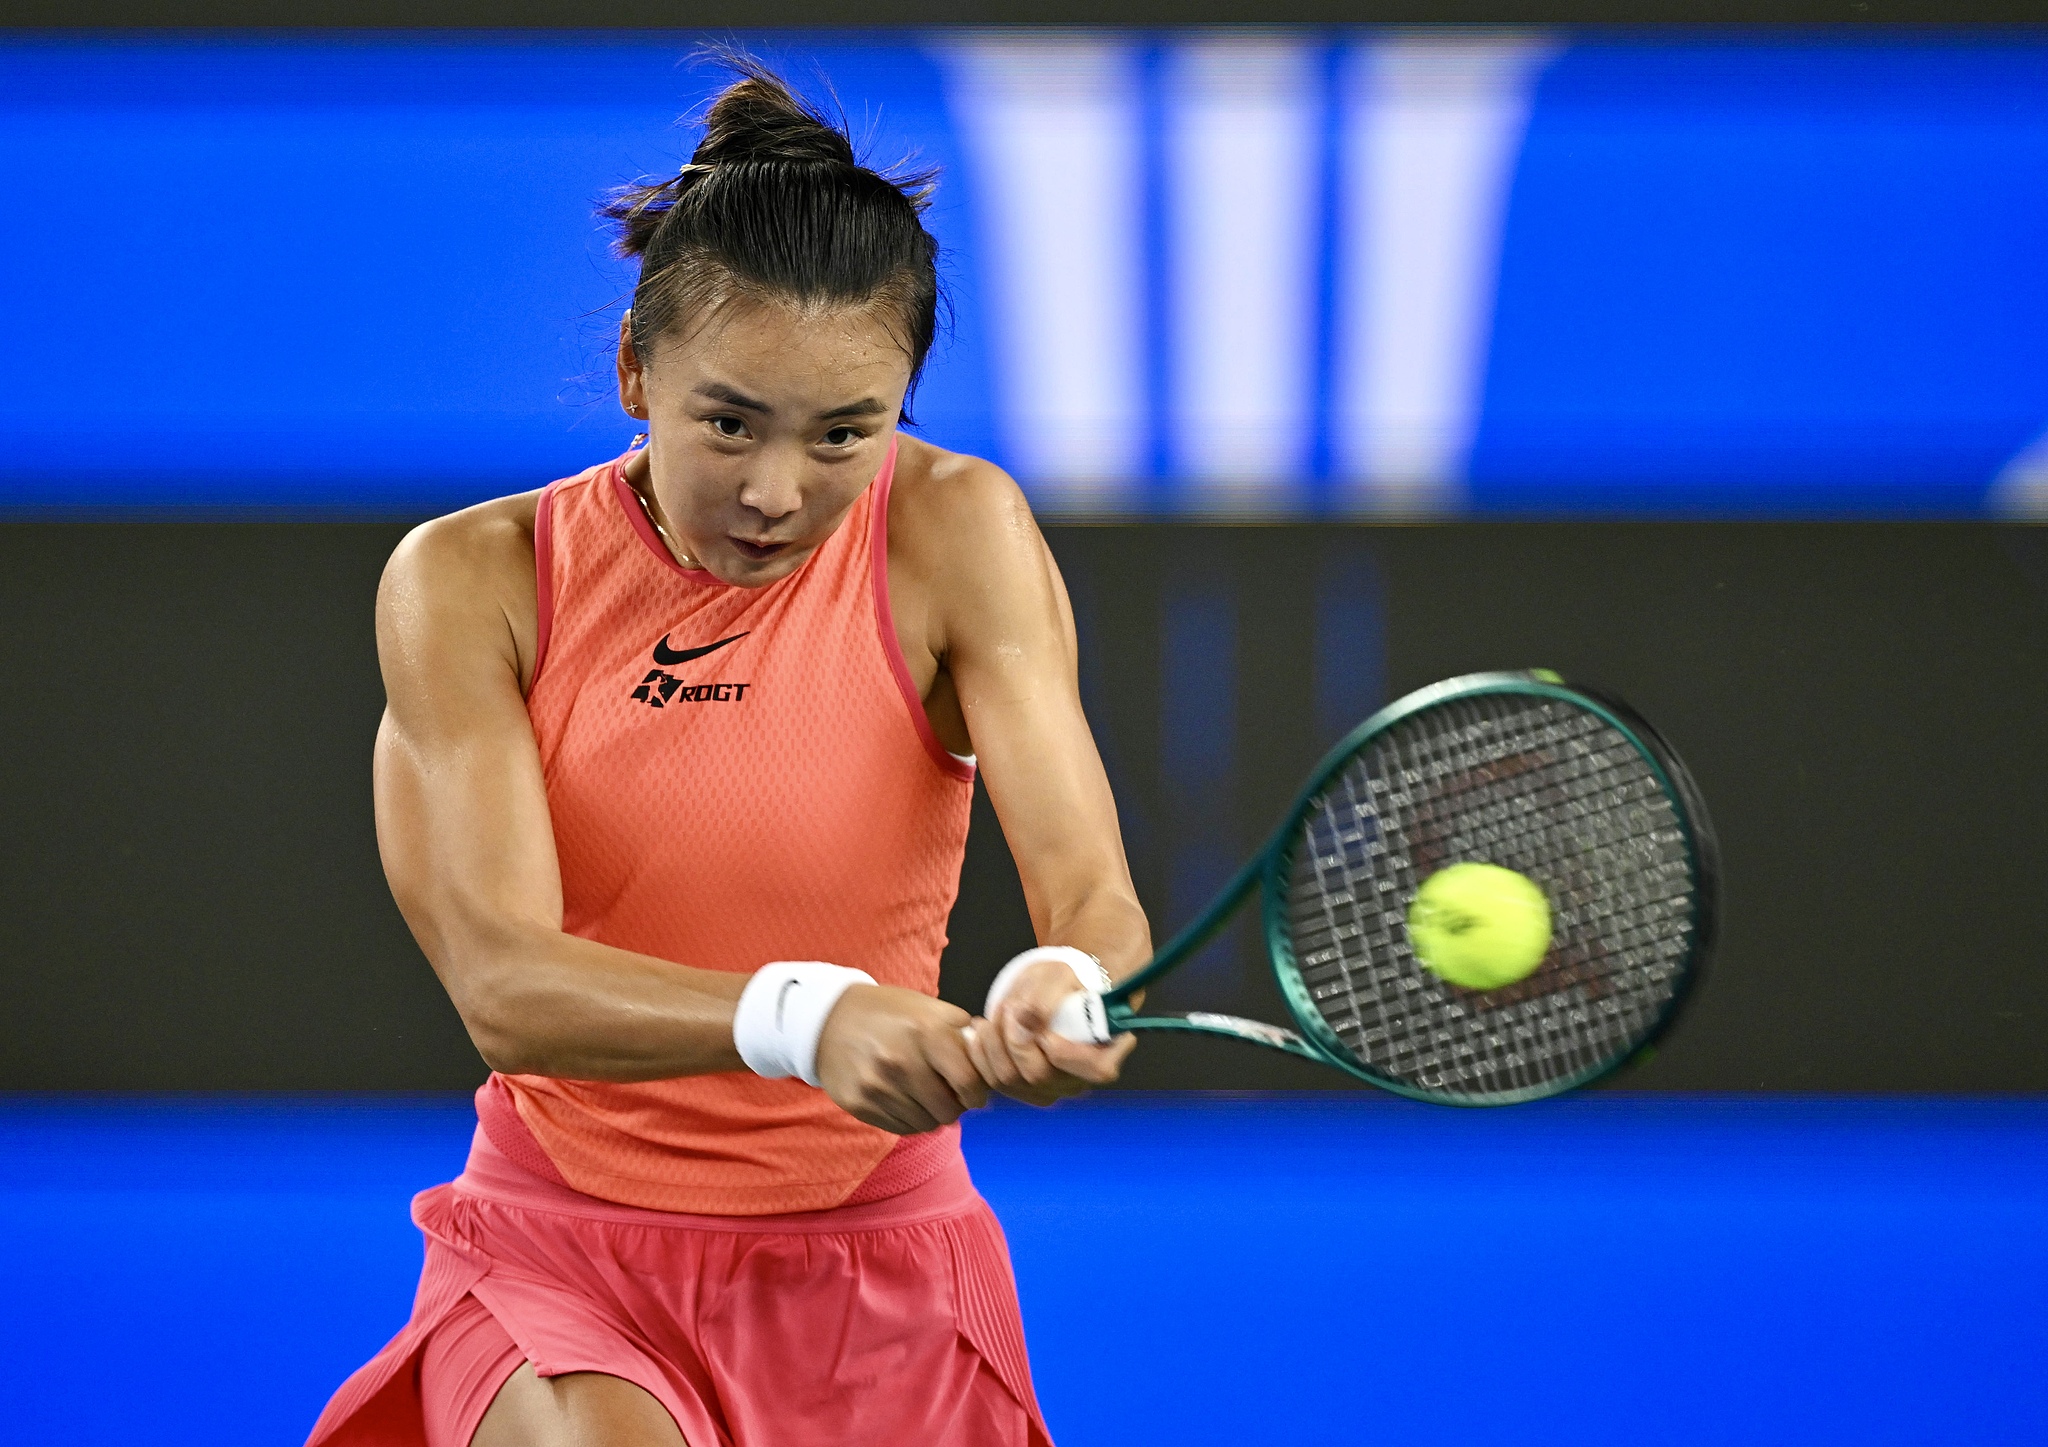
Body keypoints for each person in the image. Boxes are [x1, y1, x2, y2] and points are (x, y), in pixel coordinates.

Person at [304, 55, 1151, 1447]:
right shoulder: (474, 579)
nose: (775, 490)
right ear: (638, 368)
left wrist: (1069, 991)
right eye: (729, 421)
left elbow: (1094, 902)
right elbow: (504, 983)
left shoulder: (962, 532)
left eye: (844, 435)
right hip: (564, 1258)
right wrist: (809, 1020)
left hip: (883, 1258)